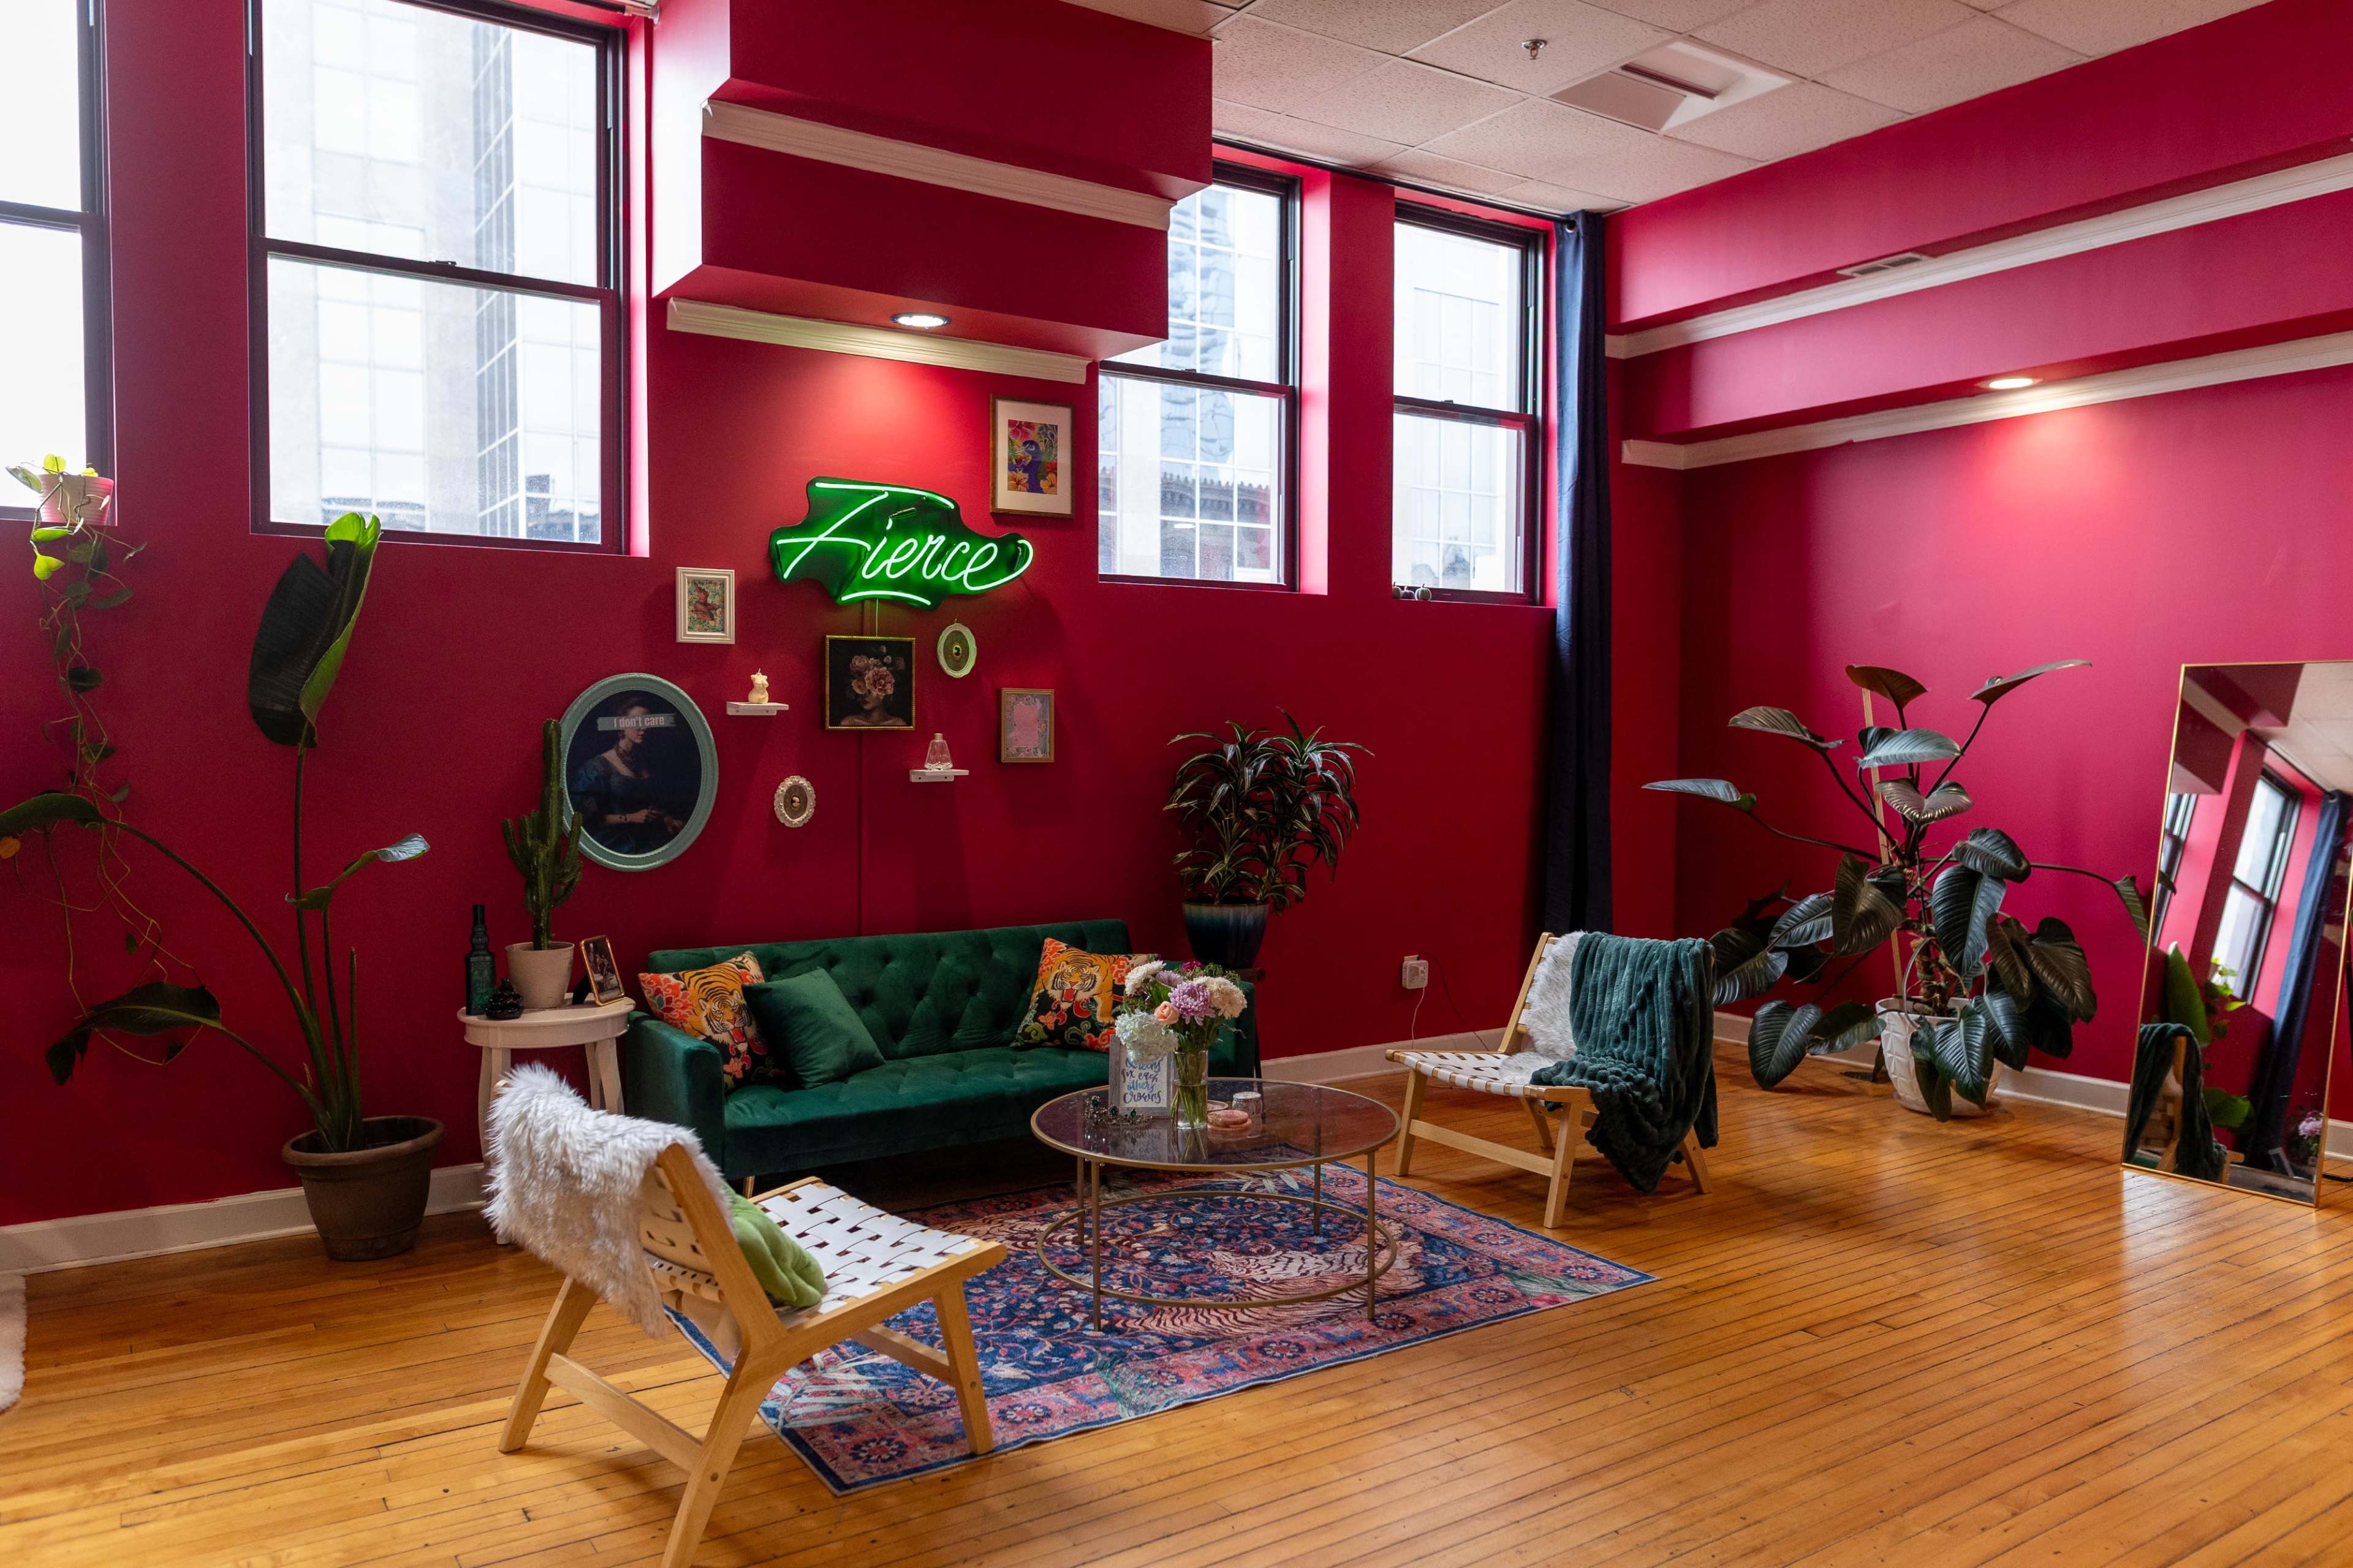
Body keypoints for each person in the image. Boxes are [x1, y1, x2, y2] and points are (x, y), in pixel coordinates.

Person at [570, 698, 688, 853]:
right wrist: (630, 818)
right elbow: (582, 818)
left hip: (649, 839)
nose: (644, 727)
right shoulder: (596, 768)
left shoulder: (649, 762)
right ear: (621, 725)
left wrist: (667, 819)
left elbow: (650, 804)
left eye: (648, 722)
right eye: (637, 721)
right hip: (615, 843)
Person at [838, 651, 909, 728]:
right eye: (861, 688)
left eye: (870, 689)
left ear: (884, 689)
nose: (865, 695)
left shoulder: (898, 724)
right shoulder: (849, 723)